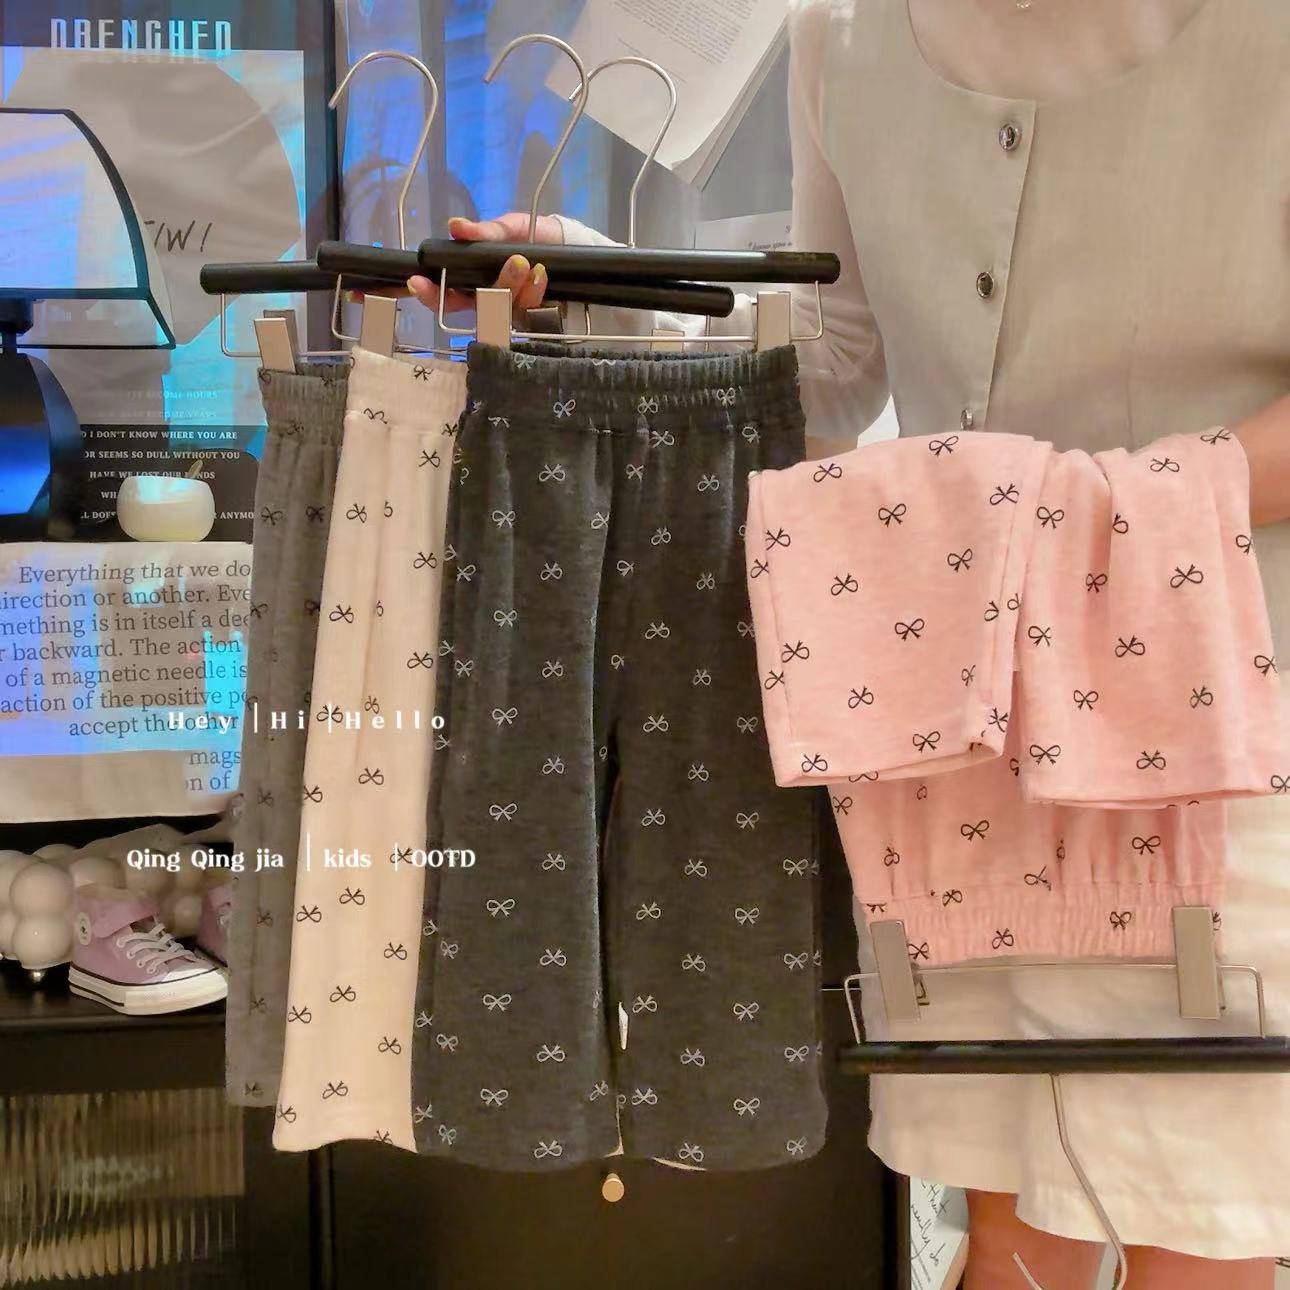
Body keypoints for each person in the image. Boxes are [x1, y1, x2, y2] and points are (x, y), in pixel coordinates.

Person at [405, 1, 1290, 1284]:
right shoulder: (850, 34)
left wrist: (1066, 518)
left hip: (1227, 729)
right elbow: (832, 358)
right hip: (947, 731)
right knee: (1004, 1225)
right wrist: (611, 286)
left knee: (1198, 1227)